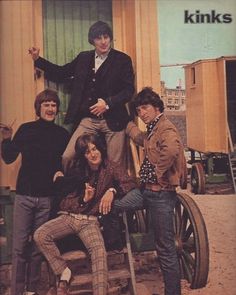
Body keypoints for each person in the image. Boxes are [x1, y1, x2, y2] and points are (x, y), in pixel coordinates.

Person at [34, 133, 136, 295]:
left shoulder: (111, 167)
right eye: (87, 152)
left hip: (90, 222)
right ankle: (64, 273)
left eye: (94, 149)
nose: (93, 154)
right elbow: (64, 202)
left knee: (99, 253)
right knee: (40, 234)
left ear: (100, 148)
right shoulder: (77, 170)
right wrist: (83, 199)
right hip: (68, 217)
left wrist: (112, 190)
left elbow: (130, 183)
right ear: (84, 156)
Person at [29, 21, 135, 171]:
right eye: (99, 38)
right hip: (88, 120)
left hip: (114, 121)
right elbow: (61, 73)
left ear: (111, 38)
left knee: (114, 167)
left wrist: (107, 104)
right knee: (67, 157)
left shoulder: (123, 60)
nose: (103, 42)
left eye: (106, 37)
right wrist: (38, 60)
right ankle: (72, 190)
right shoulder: (84, 58)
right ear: (92, 41)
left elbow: (128, 91)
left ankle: (112, 193)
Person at [113, 87, 187, 295]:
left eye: (145, 108)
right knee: (116, 204)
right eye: (139, 111)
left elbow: (172, 149)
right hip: (145, 192)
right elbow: (140, 138)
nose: (142, 113)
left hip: (161, 195)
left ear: (156, 107)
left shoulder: (166, 128)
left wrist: (158, 171)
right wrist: (126, 123)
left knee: (165, 249)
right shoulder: (153, 129)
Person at [1, 89, 70, 295]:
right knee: (19, 247)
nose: (50, 108)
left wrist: (60, 171)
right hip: (24, 196)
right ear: (38, 107)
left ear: (57, 109)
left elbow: (65, 162)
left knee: (38, 248)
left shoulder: (62, 134)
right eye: (46, 104)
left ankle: (31, 290)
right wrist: (6, 139)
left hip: (47, 199)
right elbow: (9, 158)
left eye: (53, 105)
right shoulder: (26, 129)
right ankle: (16, 291)